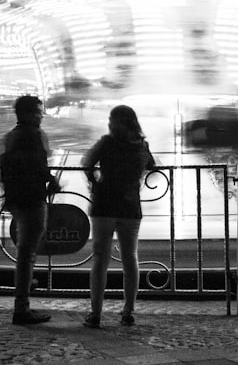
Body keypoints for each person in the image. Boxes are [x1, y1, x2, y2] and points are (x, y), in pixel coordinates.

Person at [81, 105, 156, 328]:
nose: (108, 123)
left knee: (100, 259)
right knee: (130, 258)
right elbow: (152, 164)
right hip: (130, 206)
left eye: (111, 119)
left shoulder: (107, 142)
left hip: (104, 204)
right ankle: (128, 311)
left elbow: (87, 162)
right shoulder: (141, 145)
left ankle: (95, 313)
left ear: (118, 122)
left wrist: (95, 183)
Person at [0, 95, 60, 325]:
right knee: (27, 253)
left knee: (26, 251)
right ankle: (22, 306)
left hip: (15, 198)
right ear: (25, 114)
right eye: (37, 111)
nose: (41, 115)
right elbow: (36, 165)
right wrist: (51, 180)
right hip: (32, 197)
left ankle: (26, 288)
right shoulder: (33, 135)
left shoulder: (11, 136)